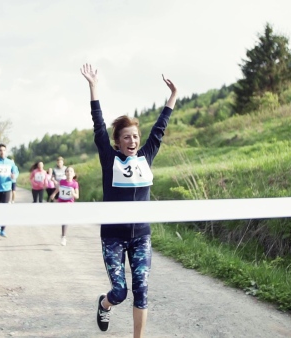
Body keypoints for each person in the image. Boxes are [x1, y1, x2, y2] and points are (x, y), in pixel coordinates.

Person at [80, 63, 177, 337]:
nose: (133, 140)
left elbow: (160, 128)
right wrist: (93, 87)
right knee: (121, 291)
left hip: (141, 236)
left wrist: (172, 97)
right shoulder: (109, 159)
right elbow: (98, 126)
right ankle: (104, 303)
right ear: (118, 142)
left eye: (135, 136)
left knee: (142, 290)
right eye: (127, 137)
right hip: (113, 235)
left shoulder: (147, 156)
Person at [49, 166, 79, 246]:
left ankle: (63, 237)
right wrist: (54, 194)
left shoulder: (75, 183)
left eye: (71, 171)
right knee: (62, 219)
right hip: (61, 203)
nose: (69, 173)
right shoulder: (62, 182)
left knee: (65, 220)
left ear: (74, 174)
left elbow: (77, 196)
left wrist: (73, 193)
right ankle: (63, 236)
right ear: (65, 173)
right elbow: (57, 189)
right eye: (67, 171)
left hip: (69, 203)